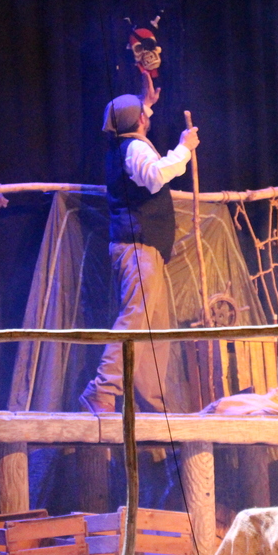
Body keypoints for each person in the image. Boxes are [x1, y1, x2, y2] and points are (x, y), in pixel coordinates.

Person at [78, 71, 200, 413]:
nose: (148, 116)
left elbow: (133, 120)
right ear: (140, 121)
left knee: (154, 327)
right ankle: (101, 389)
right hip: (137, 246)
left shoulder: (125, 144)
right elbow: (155, 175)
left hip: (144, 247)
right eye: (144, 113)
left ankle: (153, 406)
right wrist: (184, 148)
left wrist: (145, 102)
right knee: (136, 317)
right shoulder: (132, 147)